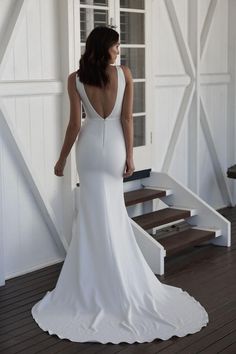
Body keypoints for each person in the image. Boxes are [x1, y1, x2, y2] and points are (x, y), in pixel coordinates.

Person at [31, 26, 209, 344]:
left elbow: (75, 124)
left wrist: (61, 161)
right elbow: (127, 119)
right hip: (112, 147)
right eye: (115, 45)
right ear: (105, 48)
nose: (118, 50)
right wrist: (130, 156)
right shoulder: (123, 74)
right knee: (112, 213)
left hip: (87, 150)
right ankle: (116, 278)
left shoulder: (76, 78)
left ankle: (89, 281)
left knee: (91, 214)